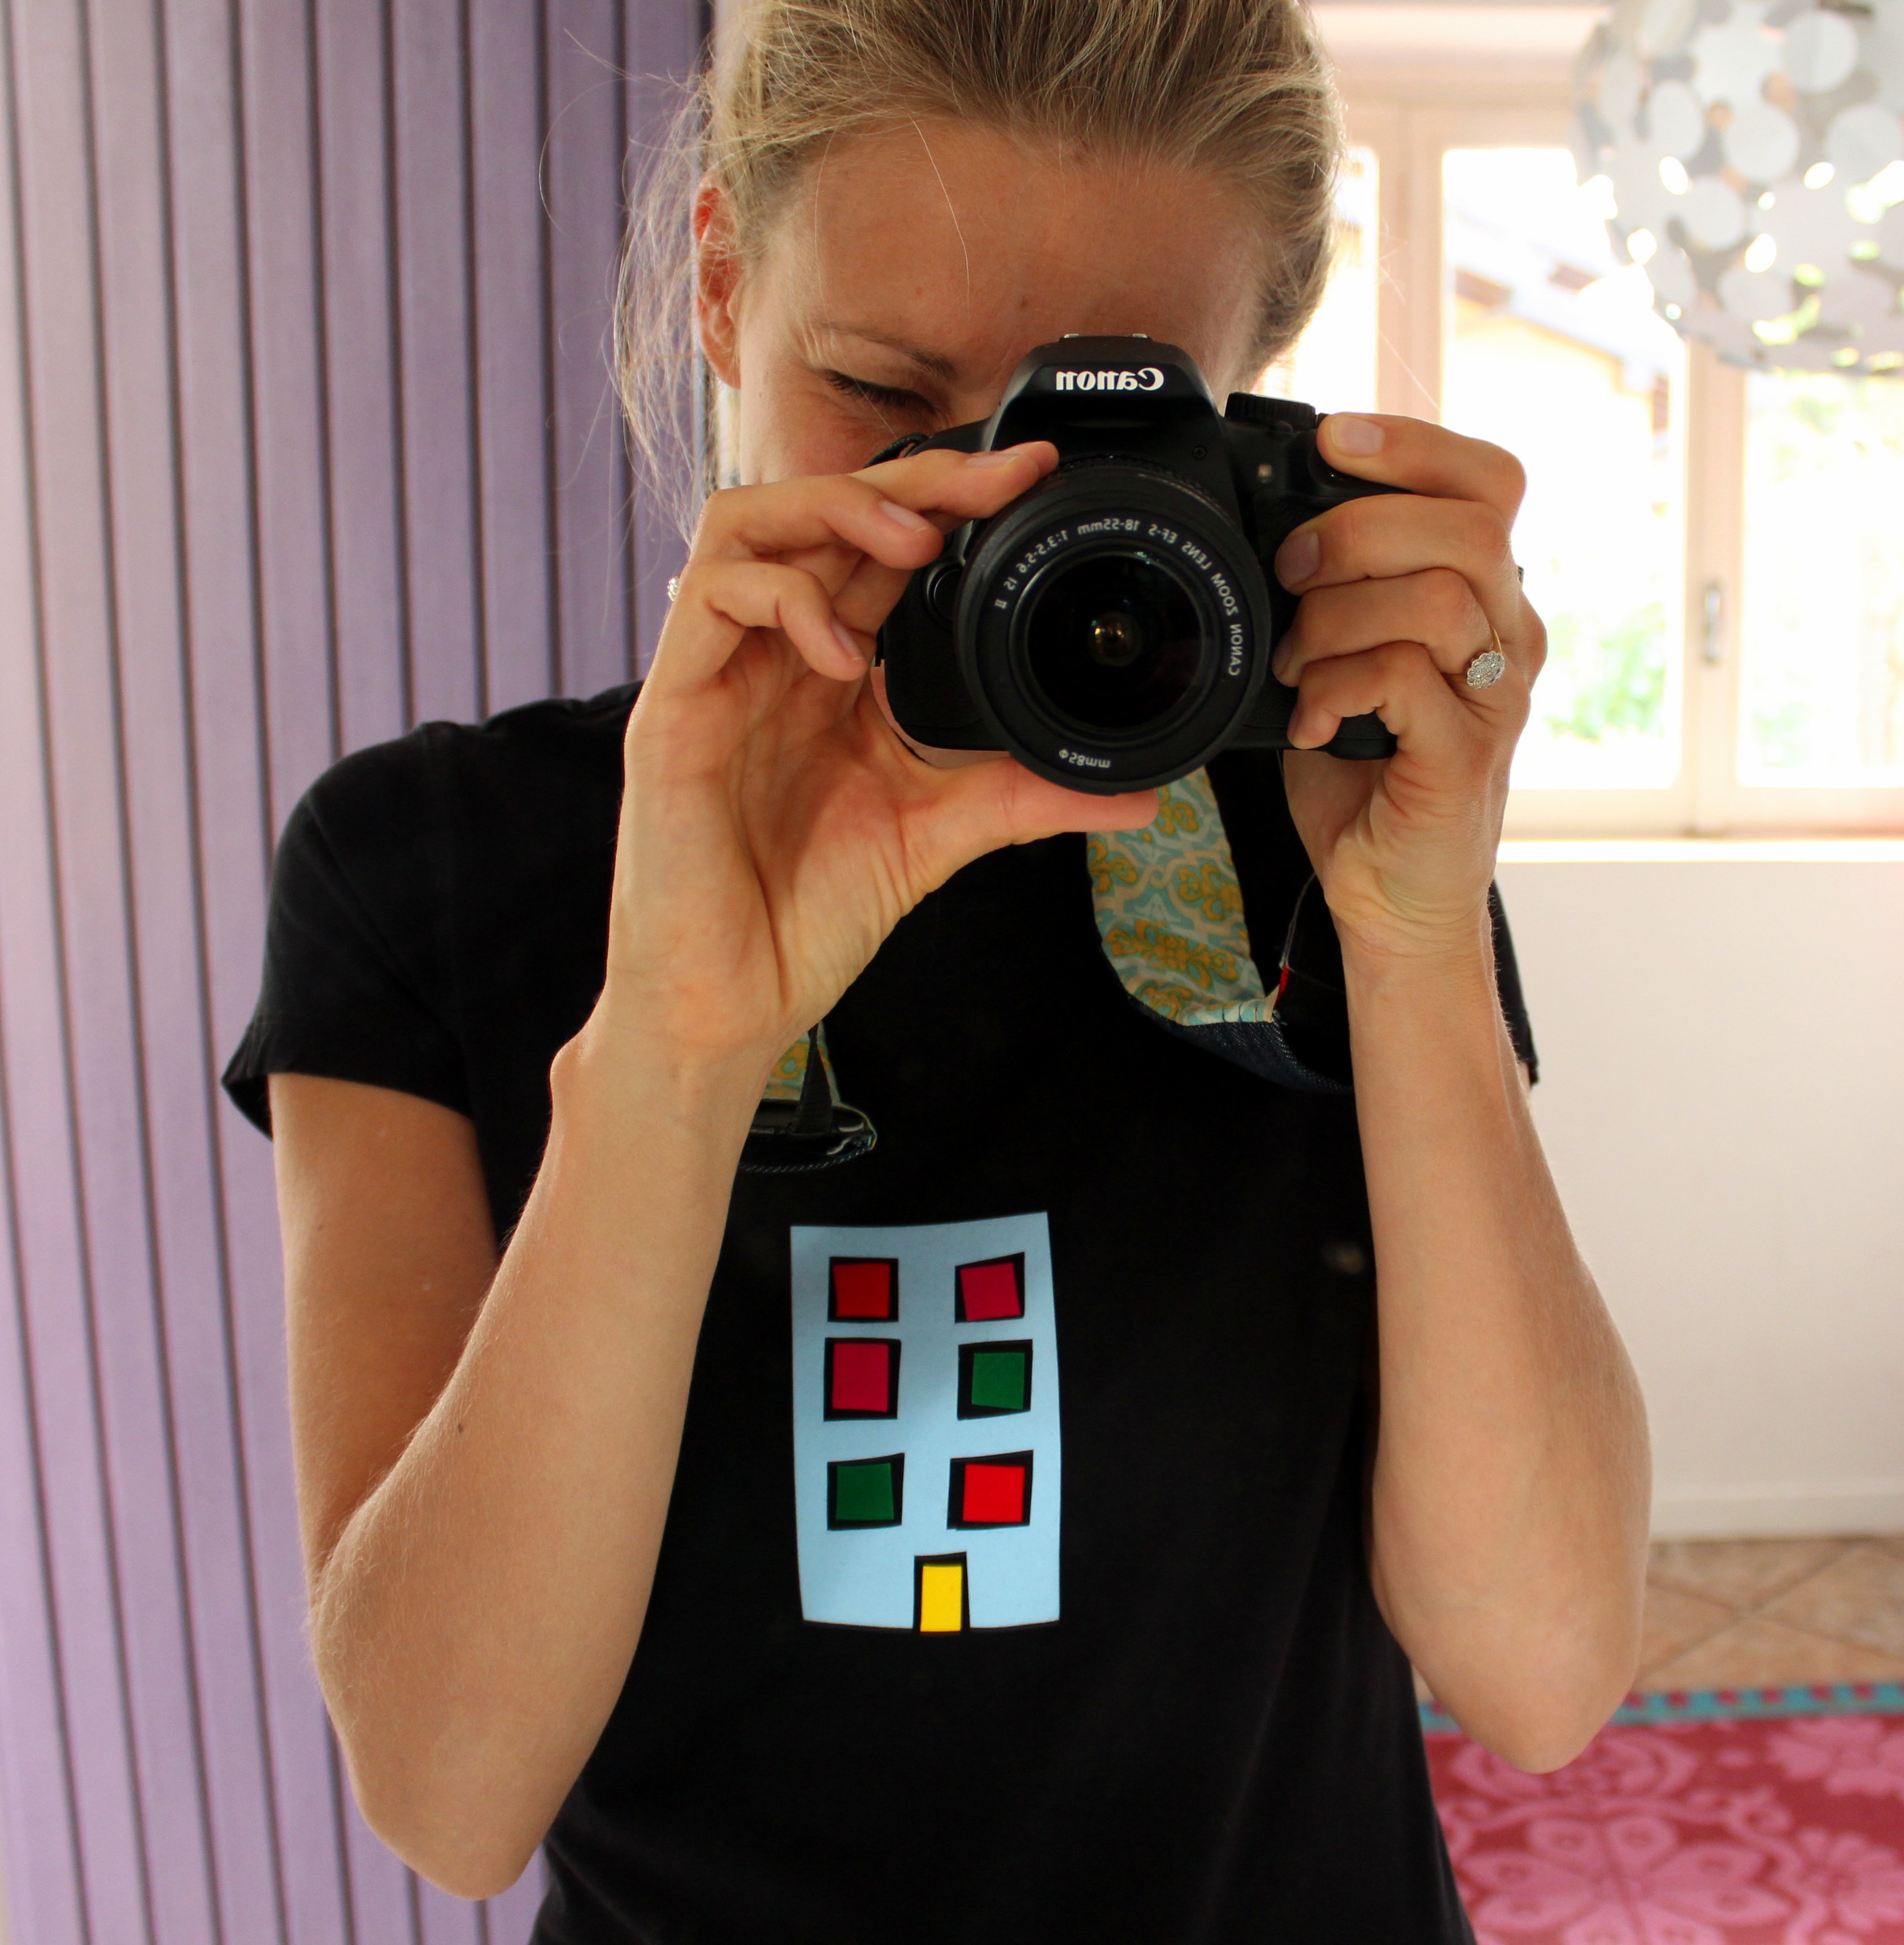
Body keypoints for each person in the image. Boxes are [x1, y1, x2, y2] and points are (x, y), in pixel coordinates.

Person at [225, 1, 1649, 1937]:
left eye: (1093, 436)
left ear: (1248, 396)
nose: (979, 510)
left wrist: (1410, 944)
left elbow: (1542, 1673)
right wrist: (676, 1038)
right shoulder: (427, 862)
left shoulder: (1327, 834)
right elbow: (448, 1787)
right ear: (723, 286)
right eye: (885, 399)